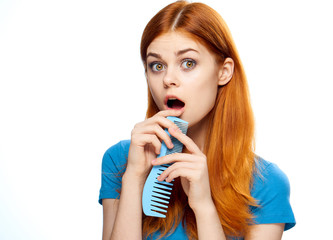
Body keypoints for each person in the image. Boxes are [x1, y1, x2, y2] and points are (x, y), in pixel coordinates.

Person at [98, 1, 296, 239]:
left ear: (224, 72)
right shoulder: (120, 160)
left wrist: (204, 207)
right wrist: (133, 179)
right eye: (157, 65)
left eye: (188, 63)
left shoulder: (265, 183)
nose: (168, 79)